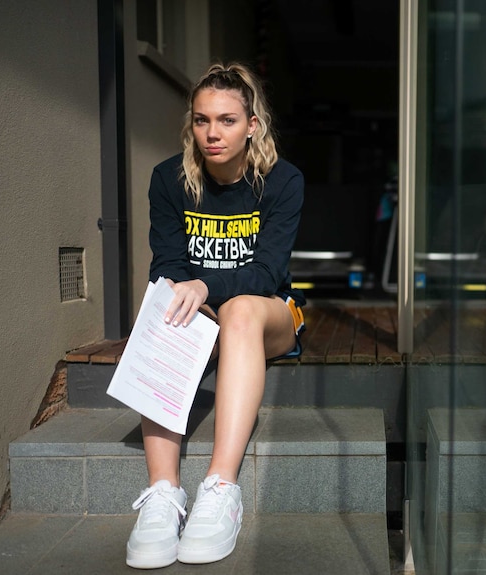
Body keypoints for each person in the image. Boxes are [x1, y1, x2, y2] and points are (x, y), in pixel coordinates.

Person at [125, 62, 305, 569]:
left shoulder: (282, 181)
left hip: (266, 313)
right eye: (202, 120)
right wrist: (188, 294)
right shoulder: (168, 179)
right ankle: (163, 493)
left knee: (241, 308)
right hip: (200, 310)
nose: (212, 133)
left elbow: (268, 272)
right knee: (163, 300)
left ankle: (221, 488)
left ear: (252, 124)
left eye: (227, 120)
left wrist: (208, 286)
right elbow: (168, 264)